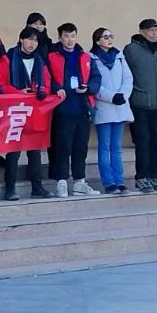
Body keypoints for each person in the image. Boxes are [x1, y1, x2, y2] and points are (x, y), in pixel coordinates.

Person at [0, 27, 57, 200]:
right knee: (13, 151)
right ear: (21, 40)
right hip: (15, 110)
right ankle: (10, 189)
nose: (32, 43)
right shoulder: (8, 59)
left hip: (34, 110)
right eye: (29, 39)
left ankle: (37, 188)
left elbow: (47, 82)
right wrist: (18, 92)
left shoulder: (39, 60)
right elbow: (0, 84)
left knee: (35, 149)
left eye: (35, 40)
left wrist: (43, 90)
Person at [46, 22, 101, 197]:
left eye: (73, 36)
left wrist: (89, 88)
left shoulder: (85, 57)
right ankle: (61, 182)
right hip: (62, 108)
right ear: (60, 37)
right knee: (62, 147)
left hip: (82, 107)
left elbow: (96, 78)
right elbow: (46, 78)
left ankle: (79, 182)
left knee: (80, 147)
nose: (70, 40)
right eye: (66, 36)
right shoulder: (52, 57)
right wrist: (56, 88)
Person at [124, 18, 157, 192]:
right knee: (143, 142)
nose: (154, 33)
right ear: (142, 31)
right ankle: (142, 177)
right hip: (140, 104)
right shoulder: (131, 50)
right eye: (151, 30)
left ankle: (154, 176)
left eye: (156, 29)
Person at [90, 27, 133, 195]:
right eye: (105, 36)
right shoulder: (92, 58)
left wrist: (123, 95)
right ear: (97, 40)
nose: (109, 39)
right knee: (104, 147)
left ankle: (119, 181)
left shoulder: (120, 57)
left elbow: (128, 78)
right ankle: (108, 182)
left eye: (110, 36)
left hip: (120, 106)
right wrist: (111, 97)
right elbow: (94, 84)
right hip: (104, 107)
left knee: (117, 147)